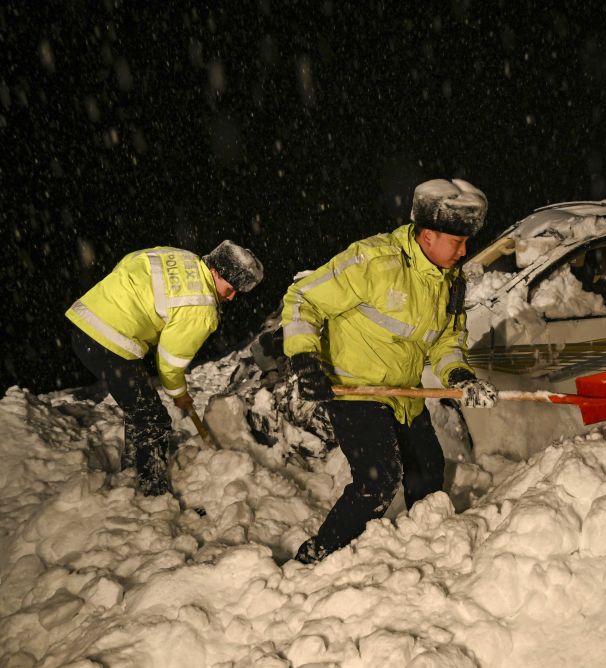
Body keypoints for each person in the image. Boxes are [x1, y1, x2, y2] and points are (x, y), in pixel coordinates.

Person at [282, 178, 498, 563]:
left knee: (429, 474)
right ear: (428, 235)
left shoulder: (451, 283)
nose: (465, 251)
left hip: (404, 394)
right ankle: (318, 556)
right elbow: (303, 298)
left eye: (467, 242)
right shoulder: (374, 261)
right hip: (355, 391)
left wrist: (459, 377)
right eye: (457, 241)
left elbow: (447, 342)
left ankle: (420, 553)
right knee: (378, 480)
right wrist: (303, 358)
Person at [66, 241, 263, 496]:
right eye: (230, 287)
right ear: (216, 271)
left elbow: (131, 259)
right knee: (153, 419)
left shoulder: (182, 257)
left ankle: (133, 468)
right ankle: (152, 491)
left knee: (141, 407)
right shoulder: (202, 306)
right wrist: (180, 394)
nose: (232, 296)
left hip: (86, 320)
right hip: (108, 339)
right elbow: (170, 363)